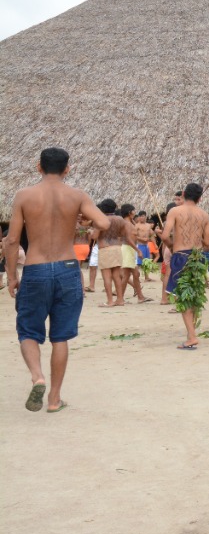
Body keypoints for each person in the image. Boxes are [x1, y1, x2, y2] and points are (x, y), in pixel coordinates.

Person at [6, 148, 111, 413]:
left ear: (38, 166)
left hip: (36, 267)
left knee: (28, 330)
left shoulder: (24, 196)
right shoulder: (76, 196)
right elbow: (104, 223)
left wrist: (11, 276)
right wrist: (86, 221)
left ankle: (37, 376)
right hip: (67, 267)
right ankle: (54, 399)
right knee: (60, 336)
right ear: (68, 169)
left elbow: (12, 240)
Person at [162, 183, 209, 349]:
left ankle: (191, 336)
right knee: (193, 295)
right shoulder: (204, 215)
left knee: (183, 297)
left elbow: (164, 236)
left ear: (183, 194)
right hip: (197, 257)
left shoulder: (175, 211)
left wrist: (171, 246)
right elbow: (207, 242)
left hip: (181, 255)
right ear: (200, 198)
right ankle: (191, 333)